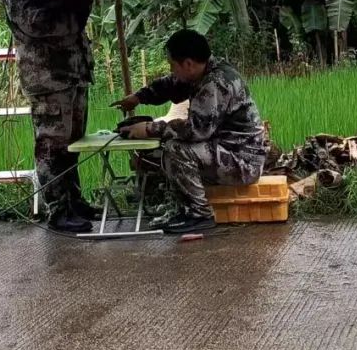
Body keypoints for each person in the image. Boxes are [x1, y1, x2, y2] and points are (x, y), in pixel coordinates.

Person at [112, 29, 268, 234]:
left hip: (242, 161)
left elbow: (196, 130)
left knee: (177, 150)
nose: (171, 70)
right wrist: (139, 97)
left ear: (188, 64)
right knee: (160, 153)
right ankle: (180, 207)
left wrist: (149, 129)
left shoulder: (216, 83)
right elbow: (171, 85)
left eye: (172, 65)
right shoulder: (201, 71)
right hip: (223, 149)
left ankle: (199, 214)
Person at [2, 0, 99, 233]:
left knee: (71, 144)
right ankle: (58, 211)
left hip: (71, 74)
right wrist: (76, 12)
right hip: (49, 78)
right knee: (52, 147)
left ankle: (74, 201)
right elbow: (38, 24)